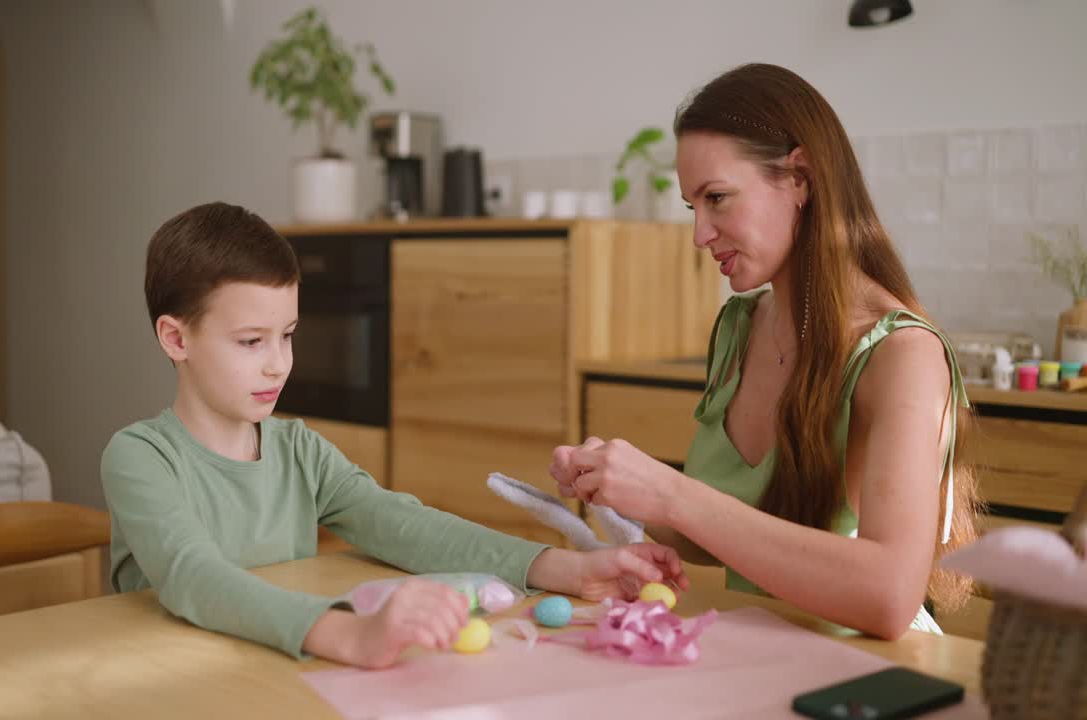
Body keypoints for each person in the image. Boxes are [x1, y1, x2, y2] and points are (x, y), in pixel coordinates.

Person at [102, 202, 688, 668]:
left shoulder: (298, 449)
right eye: (251, 341)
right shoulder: (140, 458)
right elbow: (194, 578)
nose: (278, 364)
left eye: (288, 335)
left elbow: (402, 524)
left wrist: (573, 569)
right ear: (176, 339)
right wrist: (350, 635)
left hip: (268, 669)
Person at [551, 63, 979, 639]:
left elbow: (888, 597)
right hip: (764, 651)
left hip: (869, 678)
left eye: (718, 198)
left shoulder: (902, 354)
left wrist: (672, 494)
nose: (700, 233)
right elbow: (726, 533)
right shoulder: (740, 326)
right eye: (692, 207)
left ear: (799, 177)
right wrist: (625, 488)